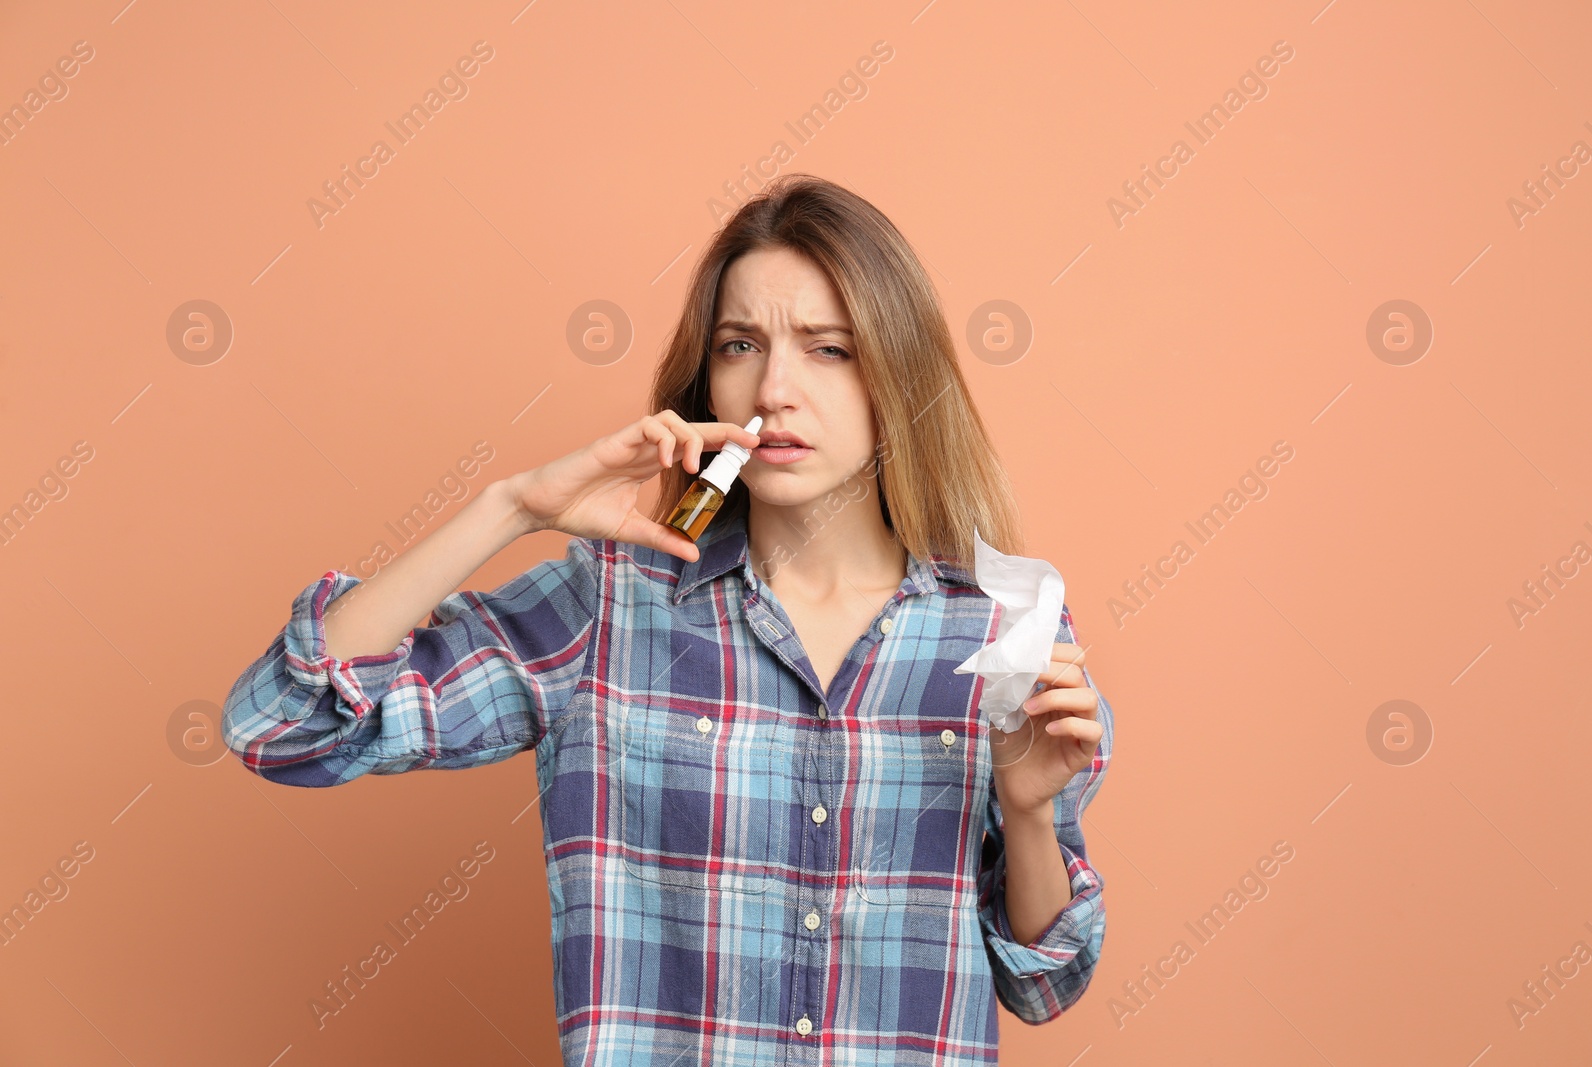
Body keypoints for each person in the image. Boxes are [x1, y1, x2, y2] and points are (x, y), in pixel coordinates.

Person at [222, 173, 1114, 1065]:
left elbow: (1044, 979)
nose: (775, 388)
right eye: (740, 345)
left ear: (898, 372)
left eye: (828, 348)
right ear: (706, 379)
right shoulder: (610, 603)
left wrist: (1029, 812)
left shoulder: (1000, 628)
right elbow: (283, 724)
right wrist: (511, 507)